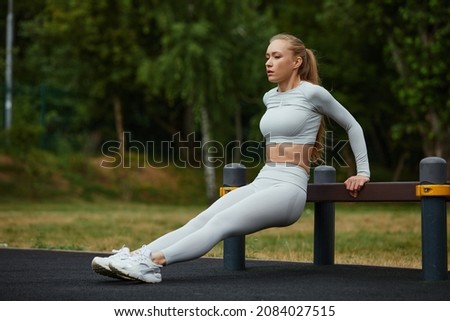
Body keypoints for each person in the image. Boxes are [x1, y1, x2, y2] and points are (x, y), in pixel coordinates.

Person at [91, 33, 370, 283]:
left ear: (296, 61)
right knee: (200, 220)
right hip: (264, 180)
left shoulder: (313, 93)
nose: (268, 63)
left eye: (276, 56)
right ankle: (138, 256)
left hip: (289, 188)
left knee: (220, 225)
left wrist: (363, 172)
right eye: (267, 57)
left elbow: (353, 126)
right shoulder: (269, 98)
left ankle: (152, 263)